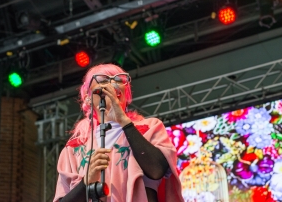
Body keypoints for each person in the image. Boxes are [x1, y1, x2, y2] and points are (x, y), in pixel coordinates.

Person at [53, 63, 184, 202]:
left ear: (125, 94)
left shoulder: (149, 128)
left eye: (118, 80)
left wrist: (123, 120)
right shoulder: (75, 147)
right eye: (103, 80)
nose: (112, 84)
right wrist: (86, 182)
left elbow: (157, 170)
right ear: (88, 97)